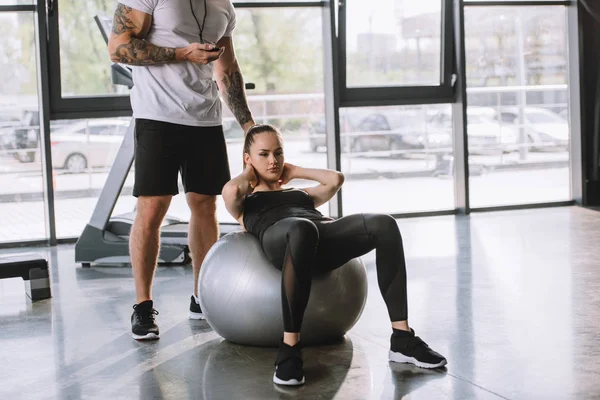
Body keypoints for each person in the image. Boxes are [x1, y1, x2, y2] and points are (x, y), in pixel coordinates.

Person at [222, 124, 447, 386]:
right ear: (248, 158)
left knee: (384, 224)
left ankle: (402, 339)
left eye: (278, 153)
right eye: (264, 154)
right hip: (281, 240)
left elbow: (335, 179)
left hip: (320, 237)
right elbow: (230, 191)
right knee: (301, 228)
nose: (273, 161)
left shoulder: (300, 194)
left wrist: (295, 172)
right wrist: (249, 173)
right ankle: (289, 349)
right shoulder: (245, 201)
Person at [107, 0, 255, 340]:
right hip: (157, 116)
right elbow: (118, 49)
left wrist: (248, 126)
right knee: (153, 207)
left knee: (205, 206)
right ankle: (143, 306)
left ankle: (201, 296)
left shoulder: (223, 5)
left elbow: (227, 69)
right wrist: (181, 54)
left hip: (205, 119)